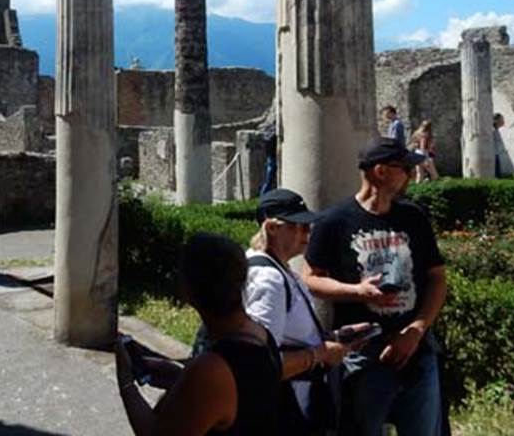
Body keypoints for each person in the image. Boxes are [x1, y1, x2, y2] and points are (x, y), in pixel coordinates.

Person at [303, 136, 448, 436]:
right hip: (363, 356)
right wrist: (356, 291)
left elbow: (437, 277)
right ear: (380, 171)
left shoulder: (414, 217)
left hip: (416, 350)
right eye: (404, 168)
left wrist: (416, 330)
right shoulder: (334, 222)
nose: (410, 174)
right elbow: (311, 277)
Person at [116, 233, 283, 435]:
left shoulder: (212, 368)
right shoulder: (259, 335)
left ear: (188, 290)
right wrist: (180, 377)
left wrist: (126, 382)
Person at [245, 189, 373, 434]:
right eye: (300, 226)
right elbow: (261, 365)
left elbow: (288, 337)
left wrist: (334, 338)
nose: (308, 234)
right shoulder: (267, 279)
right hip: (282, 414)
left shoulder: (281, 271)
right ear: (272, 228)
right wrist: (321, 354)